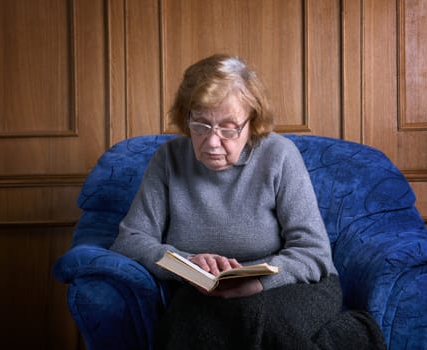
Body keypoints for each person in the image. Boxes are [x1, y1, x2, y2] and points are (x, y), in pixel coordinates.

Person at [110, 54, 386, 349]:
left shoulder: (279, 156)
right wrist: (185, 261)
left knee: (250, 316)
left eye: (229, 128)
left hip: (293, 286)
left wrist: (255, 284)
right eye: (201, 125)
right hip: (205, 293)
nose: (213, 142)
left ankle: (353, 332)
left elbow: (314, 254)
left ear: (251, 122)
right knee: (185, 319)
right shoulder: (168, 160)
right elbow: (130, 240)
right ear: (185, 117)